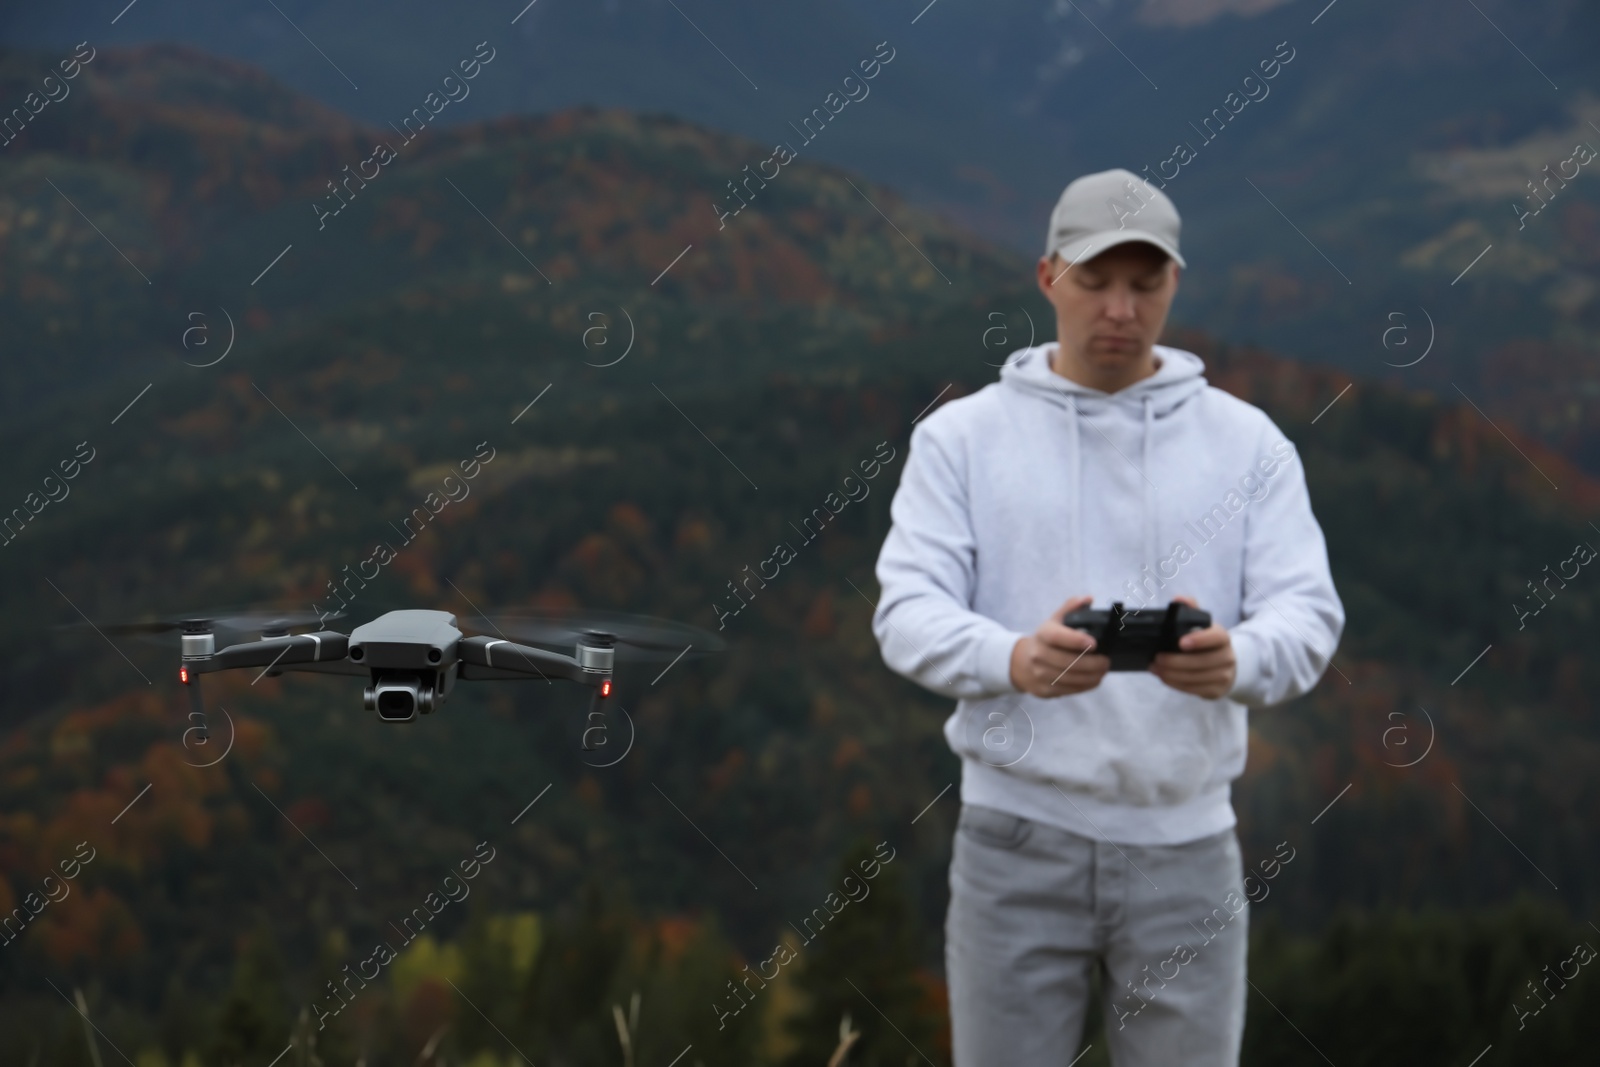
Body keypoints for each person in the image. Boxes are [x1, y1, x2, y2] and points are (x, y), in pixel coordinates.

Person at [870, 167, 1345, 1066]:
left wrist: (1236, 658)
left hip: (1188, 844)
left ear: (1177, 284)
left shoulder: (1247, 444)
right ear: (1048, 278)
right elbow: (905, 613)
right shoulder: (961, 440)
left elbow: (1310, 616)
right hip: (1014, 840)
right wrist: (1011, 656)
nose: (1120, 308)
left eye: (1145, 282)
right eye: (1095, 281)